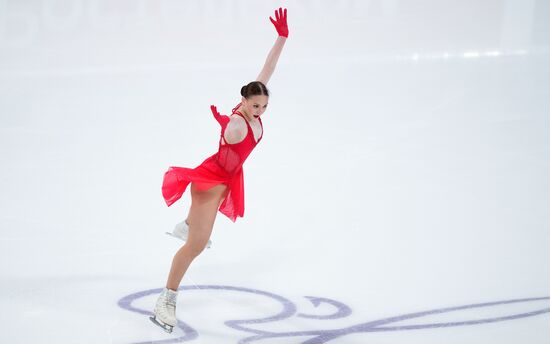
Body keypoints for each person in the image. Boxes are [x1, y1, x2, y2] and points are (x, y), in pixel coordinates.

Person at [150, 7, 289, 333]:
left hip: (224, 178)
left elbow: (266, 69)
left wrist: (281, 38)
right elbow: (232, 135)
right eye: (256, 105)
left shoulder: (250, 105)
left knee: (199, 235)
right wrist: (226, 126)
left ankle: (187, 224)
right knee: (197, 246)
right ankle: (166, 299)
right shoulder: (239, 124)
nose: (260, 110)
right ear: (243, 101)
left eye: (264, 106)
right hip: (211, 183)